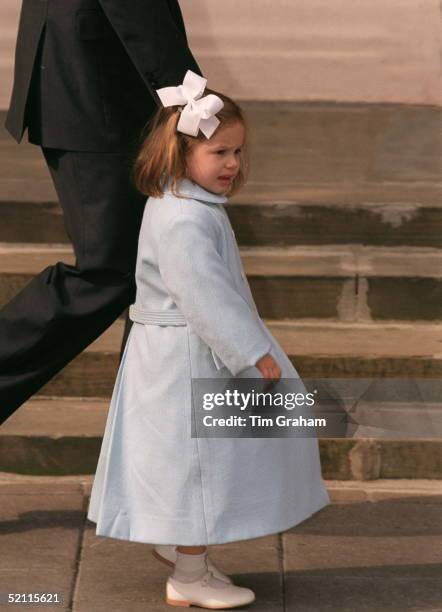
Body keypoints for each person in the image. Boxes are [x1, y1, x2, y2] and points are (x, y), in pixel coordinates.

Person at [87, 70, 331, 609]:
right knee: (200, 467)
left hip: (181, 352)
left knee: (190, 463)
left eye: (238, 153)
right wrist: (254, 354)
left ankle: (184, 552)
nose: (233, 165)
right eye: (220, 152)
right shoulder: (182, 221)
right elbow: (205, 297)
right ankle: (190, 574)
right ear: (182, 151)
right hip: (190, 360)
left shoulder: (182, 206)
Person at [0, 0, 201, 425]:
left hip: (97, 90)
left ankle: (148, 438)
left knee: (152, 272)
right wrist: (195, 105)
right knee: (111, 270)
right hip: (96, 96)